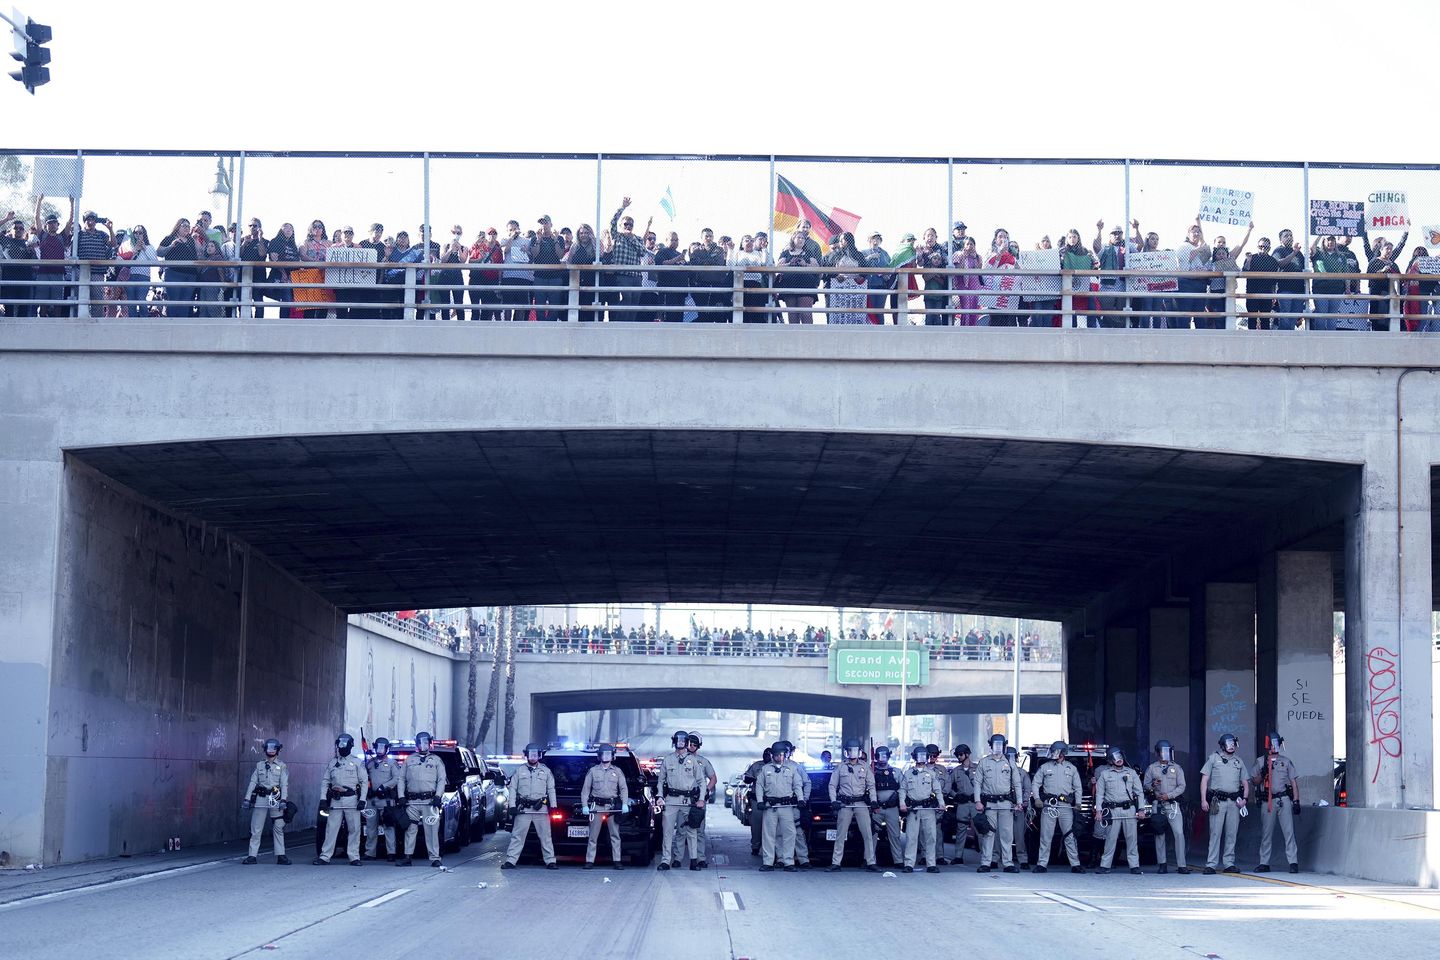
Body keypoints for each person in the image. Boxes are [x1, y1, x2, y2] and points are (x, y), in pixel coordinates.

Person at [1199, 733, 1250, 874]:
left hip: (1234, 802)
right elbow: (1204, 780)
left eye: (1233, 742)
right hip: (1218, 801)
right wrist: (1203, 800)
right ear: (1222, 745)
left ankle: (1229, 863)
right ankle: (1211, 864)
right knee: (1215, 832)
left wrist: (1245, 799)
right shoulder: (1214, 758)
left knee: (1231, 833)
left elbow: (1245, 782)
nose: (1231, 745)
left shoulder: (1238, 761)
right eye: (1228, 743)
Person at [502, 742, 558, 869]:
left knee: (545, 836)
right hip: (524, 809)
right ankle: (511, 861)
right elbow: (512, 789)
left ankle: (550, 861)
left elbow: (551, 789)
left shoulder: (546, 771)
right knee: (518, 836)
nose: (533, 757)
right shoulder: (519, 771)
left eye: (535, 755)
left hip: (541, 808)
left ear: (539, 756)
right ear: (526, 755)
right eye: (530, 754)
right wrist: (512, 806)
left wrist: (553, 806)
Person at [314, 733, 368, 866]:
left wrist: (362, 800)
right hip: (336, 799)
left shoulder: (356, 762)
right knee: (331, 829)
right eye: (340, 744)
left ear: (350, 745)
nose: (342, 747)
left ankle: (354, 857)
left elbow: (364, 782)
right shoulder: (332, 763)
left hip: (352, 799)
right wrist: (322, 799)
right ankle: (325, 856)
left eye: (345, 744)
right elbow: (325, 782)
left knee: (354, 829)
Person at [1030, 741, 1084, 873]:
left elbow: (1078, 787)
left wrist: (1078, 803)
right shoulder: (1045, 767)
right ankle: (1042, 864)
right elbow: (1035, 783)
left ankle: (1075, 864)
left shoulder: (1071, 768)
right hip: (1049, 805)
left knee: (1069, 835)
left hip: (1066, 807)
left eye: (1057, 752)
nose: (1054, 754)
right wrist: (1037, 798)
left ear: (1063, 753)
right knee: (1046, 835)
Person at [656, 729, 705, 870]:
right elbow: (661, 780)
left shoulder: (693, 760)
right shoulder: (668, 760)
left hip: (688, 801)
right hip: (671, 800)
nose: (681, 743)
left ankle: (693, 860)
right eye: (678, 740)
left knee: (691, 830)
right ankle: (666, 861)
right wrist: (660, 796)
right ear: (674, 742)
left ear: (687, 742)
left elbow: (701, 781)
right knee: (667, 832)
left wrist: (701, 799)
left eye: (684, 741)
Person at [1252, 732, 1301, 873]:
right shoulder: (1261, 761)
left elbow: (1293, 782)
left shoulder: (1285, 761)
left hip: (1283, 800)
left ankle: (1293, 862)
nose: (1277, 746)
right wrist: (1262, 773)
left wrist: (1296, 801)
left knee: (1289, 832)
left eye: (1278, 744)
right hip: (1268, 801)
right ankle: (1264, 863)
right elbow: (1254, 782)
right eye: (1274, 744)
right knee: (1266, 833)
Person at [826, 738, 878, 872]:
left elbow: (871, 785)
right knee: (841, 834)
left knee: (867, 833)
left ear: (859, 752)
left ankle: (871, 862)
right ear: (846, 752)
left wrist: (873, 800)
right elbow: (832, 785)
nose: (853, 753)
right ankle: (836, 863)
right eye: (850, 750)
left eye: (855, 750)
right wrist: (833, 801)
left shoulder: (865, 767)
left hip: (861, 803)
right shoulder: (840, 767)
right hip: (845, 804)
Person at [755, 740, 806, 872]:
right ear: (772, 755)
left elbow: (797, 785)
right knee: (769, 835)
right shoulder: (766, 769)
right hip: (770, 807)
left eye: (782, 755)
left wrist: (800, 799)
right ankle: (768, 862)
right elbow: (759, 786)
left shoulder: (792, 769)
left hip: (786, 807)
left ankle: (788, 862)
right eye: (777, 755)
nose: (779, 757)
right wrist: (760, 801)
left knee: (790, 833)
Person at [974, 733, 1020, 872]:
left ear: (1004, 746)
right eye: (996, 745)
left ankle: (1008, 863)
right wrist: (977, 801)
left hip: (1006, 803)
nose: (998, 748)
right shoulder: (984, 762)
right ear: (991, 746)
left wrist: (1018, 802)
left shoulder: (1010, 763)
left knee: (1007, 834)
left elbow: (1017, 783)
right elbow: (977, 783)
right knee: (988, 834)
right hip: (989, 804)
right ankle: (986, 863)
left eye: (1001, 745)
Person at [1093, 745, 1143, 874]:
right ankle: (1105, 865)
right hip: (1113, 810)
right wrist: (1098, 811)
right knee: (1110, 838)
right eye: (1115, 757)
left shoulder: (1131, 773)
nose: (1118, 759)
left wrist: (1141, 809)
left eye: (1120, 756)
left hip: (1129, 809)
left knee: (1132, 838)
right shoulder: (1105, 774)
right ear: (1110, 760)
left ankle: (1134, 865)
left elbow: (1139, 792)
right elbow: (1100, 794)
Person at [580, 743, 630, 869]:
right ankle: (589, 860)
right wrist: (585, 806)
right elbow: (585, 790)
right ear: (599, 756)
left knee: (615, 835)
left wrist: (624, 803)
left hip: (612, 807)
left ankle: (617, 860)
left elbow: (623, 789)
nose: (606, 756)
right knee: (593, 836)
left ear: (612, 756)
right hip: (596, 806)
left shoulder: (617, 771)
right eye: (604, 754)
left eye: (608, 754)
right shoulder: (593, 771)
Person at [242, 737, 290, 865]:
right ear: (265, 750)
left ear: (278, 750)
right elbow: (253, 782)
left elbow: (284, 784)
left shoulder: (282, 766)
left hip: (275, 798)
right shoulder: (259, 765)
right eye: (269, 748)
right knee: (256, 828)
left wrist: (284, 800)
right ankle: (252, 856)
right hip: (261, 798)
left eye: (274, 748)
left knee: (278, 827)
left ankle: (281, 855)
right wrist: (247, 798)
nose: (271, 751)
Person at [1144, 739, 1190, 874]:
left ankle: (1182, 865)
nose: (1165, 754)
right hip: (1158, 805)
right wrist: (1153, 784)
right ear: (1157, 753)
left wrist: (1169, 795)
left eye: (1167, 751)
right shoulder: (1152, 768)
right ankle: (1162, 864)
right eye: (1162, 752)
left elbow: (1182, 786)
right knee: (1159, 834)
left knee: (1179, 834)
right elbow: (1145, 786)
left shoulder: (1177, 768)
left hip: (1173, 805)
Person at [898, 744, 944, 873]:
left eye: (924, 756)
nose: (922, 758)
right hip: (913, 809)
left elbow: (937, 790)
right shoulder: (908, 774)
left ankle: (931, 864)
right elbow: (902, 790)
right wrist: (902, 803)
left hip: (928, 809)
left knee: (931, 837)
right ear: (914, 757)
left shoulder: (931, 773)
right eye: (919, 756)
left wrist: (941, 803)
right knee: (912, 837)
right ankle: (909, 864)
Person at [1201, 224, 1252, 329]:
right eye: (1219, 242)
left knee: (1229, 317)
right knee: (1216, 319)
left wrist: (1249, 229)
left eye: (1224, 242)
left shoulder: (1230, 258)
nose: (1221, 244)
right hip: (1215, 293)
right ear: (1214, 244)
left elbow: (1241, 245)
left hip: (1229, 291)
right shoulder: (1210, 261)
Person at [679, 732, 717, 868]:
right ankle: (678, 858)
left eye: (694, 744)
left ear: (698, 746)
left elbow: (713, 778)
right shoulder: (679, 760)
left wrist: (705, 791)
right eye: (689, 744)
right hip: (682, 799)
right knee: (681, 830)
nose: (691, 746)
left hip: (698, 800)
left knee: (699, 830)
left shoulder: (703, 761)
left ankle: (700, 858)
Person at [364, 737, 401, 862]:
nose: (379, 750)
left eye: (382, 747)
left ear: (387, 749)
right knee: (370, 827)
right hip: (372, 799)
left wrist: (384, 787)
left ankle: (391, 852)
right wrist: (367, 788)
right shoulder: (369, 763)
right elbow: (364, 777)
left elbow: (397, 778)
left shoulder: (392, 764)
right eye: (378, 747)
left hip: (386, 800)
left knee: (388, 826)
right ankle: (370, 852)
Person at [1363, 230, 1408, 331]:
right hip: (1379, 294)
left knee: (1392, 321)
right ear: (1381, 249)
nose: (1389, 251)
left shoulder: (1393, 264)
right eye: (1387, 249)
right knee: (1379, 320)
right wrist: (1382, 271)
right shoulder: (1374, 261)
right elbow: (1370, 275)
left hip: (1393, 296)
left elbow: (1399, 278)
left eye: (1391, 249)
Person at [1309, 234, 1354, 331]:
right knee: (1321, 315)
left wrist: (1347, 289)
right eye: (1328, 240)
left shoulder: (1341, 256)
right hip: (1320, 289)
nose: (1331, 242)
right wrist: (1320, 234)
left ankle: (1331, 338)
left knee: (1333, 317)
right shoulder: (1319, 253)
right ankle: (1320, 339)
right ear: (1324, 241)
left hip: (1337, 289)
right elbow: (1311, 248)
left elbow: (1346, 273)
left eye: (1333, 240)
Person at [157, 217, 199, 318]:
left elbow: (199, 254)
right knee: (174, 301)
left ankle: (182, 326)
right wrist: (171, 246)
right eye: (184, 225)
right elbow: (159, 252)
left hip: (190, 275)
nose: (187, 228)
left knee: (185, 302)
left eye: (188, 226)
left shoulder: (191, 240)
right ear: (177, 226)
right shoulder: (169, 238)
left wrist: (196, 240)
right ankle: (172, 324)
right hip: (174, 273)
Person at [1091, 221, 1131, 328]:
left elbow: (1140, 247)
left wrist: (1136, 229)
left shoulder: (1128, 247)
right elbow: (1095, 246)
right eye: (1114, 233)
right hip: (1107, 287)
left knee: (1123, 313)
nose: (1117, 235)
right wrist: (1099, 230)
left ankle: (1120, 333)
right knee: (1106, 312)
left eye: (1119, 233)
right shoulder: (1105, 248)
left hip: (1123, 287)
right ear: (1110, 236)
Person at [871, 744, 905, 865]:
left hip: (892, 808)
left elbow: (903, 788)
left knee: (895, 835)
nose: (882, 759)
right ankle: (870, 860)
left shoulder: (896, 772)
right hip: (877, 809)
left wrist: (898, 800)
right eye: (879, 756)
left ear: (888, 757)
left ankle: (898, 860)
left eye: (884, 756)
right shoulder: (871, 772)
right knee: (872, 835)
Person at [776, 231, 819, 323]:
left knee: (806, 313)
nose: (801, 240)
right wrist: (790, 263)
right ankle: (793, 336)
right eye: (798, 237)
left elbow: (816, 267)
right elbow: (778, 267)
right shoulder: (786, 253)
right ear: (793, 239)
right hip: (789, 285)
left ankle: (808, 336)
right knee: (792, 314)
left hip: (806, 285)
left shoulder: (809, 253)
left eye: (803, 238)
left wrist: (805, 264)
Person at [943, 744, 975, 865]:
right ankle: (958, 856)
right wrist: (955, 795)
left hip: (976, 803)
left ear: (967, 754)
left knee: (981, 830)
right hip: (963, 803)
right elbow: (948, 786)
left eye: (961, 754)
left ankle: (986, 858)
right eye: (957, 755)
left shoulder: (978, 768)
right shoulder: (956, 771)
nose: (959, 757)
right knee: (961, 830)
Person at [1058, 228, 1097, 327]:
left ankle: (1092, 328)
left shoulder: (1085, 251)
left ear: (1078, 238)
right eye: (1070, 237)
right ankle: (1073, 327)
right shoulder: (1062, 251)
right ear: (1067, 238)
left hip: (1083, 281)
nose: (1072, 239)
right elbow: (1057, 265)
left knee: (1091, 303)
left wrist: (1092, 261)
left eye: (1074, 237)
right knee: (1071, 305)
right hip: (1067, 282)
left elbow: (1093, 265)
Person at [1002, 746, 1032, 870]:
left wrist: (1023, 801)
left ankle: (1022, 859)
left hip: (1017, 807)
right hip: (1003, 806)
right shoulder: (1000, 772)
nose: (1011, 759)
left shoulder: (1022, 773)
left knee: (1019, 835)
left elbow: (1027, 789)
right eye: (1008, 757)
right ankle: (995, 858)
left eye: (1013, 757)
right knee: (1001, 835)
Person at [2, 213, 37, 318]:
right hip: (9, 279)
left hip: (25, 279)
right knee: (9, 308)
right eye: (15, 228)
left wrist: (32, 251)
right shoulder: (6, 240)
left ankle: (22, 332)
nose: (18, 230)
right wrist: (6, 219)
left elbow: (35, 263)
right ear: (11, 230)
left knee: (23, 308)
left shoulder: (28, 244)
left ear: (24, 231)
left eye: (21, 228)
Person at [1271, 229, 1307, 330]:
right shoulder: (1279, 250)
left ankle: (1290, 341)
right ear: (1280, 239)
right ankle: (1283, 340)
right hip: (1285, 288)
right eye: (1286, 236)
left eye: (1291, 235)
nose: (1289, 237)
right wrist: (1293, 253)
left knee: (1293, 319)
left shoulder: (1299, 254)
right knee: (1285, 318)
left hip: (1299, 289)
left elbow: (1304, 269)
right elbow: (1279, 263)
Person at [1243, 236, 1280, 329]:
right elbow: (1244, 272)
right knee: (1252, 319)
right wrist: (1248, 260)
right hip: (1252, 293)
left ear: (1269, 248)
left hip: (1266, 294)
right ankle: (1250, 341)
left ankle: (1266, 341)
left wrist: (1273, 296)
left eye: (1266, 247)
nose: (1263, 249)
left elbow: (1274, 282)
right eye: (1261, 246)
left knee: (1265, 320)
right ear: (1257, 246)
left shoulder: (1273, 261)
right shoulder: (1252, 257)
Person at [743, 746, 774, 856]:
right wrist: (755, 779)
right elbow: (746, 778)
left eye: (769, 754)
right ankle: (755, 846)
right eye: (765, 754)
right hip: (756, 800)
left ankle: (770, 849)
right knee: (756, 826)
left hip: (771, 802)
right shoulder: (756, 766)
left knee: (771, 828)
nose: (767, 756)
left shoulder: (777, 767)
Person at [917, 227, 948, 325]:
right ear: (924, 237)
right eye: (928, 235)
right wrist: (919, 254)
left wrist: (937, 272)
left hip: (941, 279)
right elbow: (920, 264)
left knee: (939, 313)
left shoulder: (941, 248)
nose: (930, 238)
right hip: (928, 282)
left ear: (936, 237)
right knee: (929, 315)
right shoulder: (922, 248)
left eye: (932, 235)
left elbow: (946, 262)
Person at [951, 236, 984, 325]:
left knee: (973, 307)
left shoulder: (978, 257)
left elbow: (978, 270)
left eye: (972, 244)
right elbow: (958, 270)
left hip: (974, 284)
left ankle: (972, 328)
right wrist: (965, 257)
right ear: (963, 246)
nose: (969, 246)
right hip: (962, 284)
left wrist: (974, 258)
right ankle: (964, 327)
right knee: (966, 306)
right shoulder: (958, 254)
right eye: (967, 244)